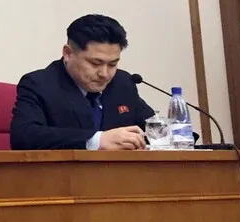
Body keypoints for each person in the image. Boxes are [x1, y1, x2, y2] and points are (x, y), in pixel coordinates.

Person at [10, 14, 154, 151]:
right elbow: (24, 137)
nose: (104, 74)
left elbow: (153, 127)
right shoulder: (40, 84)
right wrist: (97, 140)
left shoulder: (122, 83)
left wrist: (171, 132)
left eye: (112, 64)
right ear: (68, 53)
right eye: (95, 63)